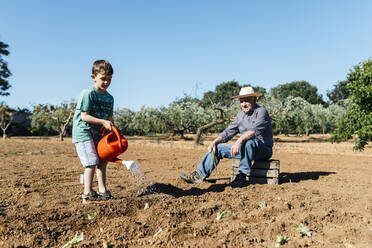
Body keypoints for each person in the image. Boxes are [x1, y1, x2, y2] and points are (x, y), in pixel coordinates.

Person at [180, 86, 273, 187]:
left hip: (263, 150)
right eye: (241, 101)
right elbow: (228, 132)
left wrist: (239, 141)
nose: (244, 104)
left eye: (246, 100)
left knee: (248, 143)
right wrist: (215, 141)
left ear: (254, 99)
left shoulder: (261, 112)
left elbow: (254, 131)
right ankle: (198, 175)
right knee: (218, 148)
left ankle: (242, 176)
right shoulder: (240, 115)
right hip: (244, 148)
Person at [72, 60, 115, 204]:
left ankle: (103, 192)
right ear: (93, 77)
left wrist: (113, 131)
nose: (106, 82)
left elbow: (110, 118)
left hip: (99, 134)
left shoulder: (110, 98)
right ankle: (87, 194)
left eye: (109, 79)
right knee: (90, 162)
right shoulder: (87, 94)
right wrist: (103, 122)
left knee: (102, 162)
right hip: (84, 132)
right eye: (103, 78)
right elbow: (84, 116)